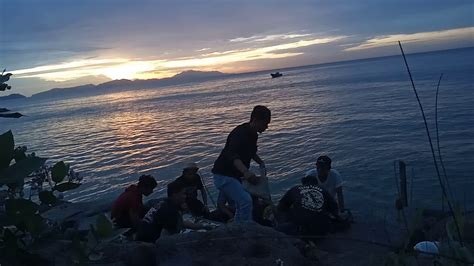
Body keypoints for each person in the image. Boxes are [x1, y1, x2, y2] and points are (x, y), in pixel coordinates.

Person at [212, 105, 271, 223]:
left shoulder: (253, 134)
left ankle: (238, 225)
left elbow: (252, 152)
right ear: (255, 120)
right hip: (223, 175)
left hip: (234, 176)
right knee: (245, 200)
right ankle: (244, 229)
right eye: (265, 123)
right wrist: (246, 172)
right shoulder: (239, 133)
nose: (266, 127)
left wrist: (261, 164)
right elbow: (232, 155)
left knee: (241, 203)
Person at [136, 180, 211, 243]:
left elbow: (181, 222)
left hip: (140, 237)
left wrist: (202, 226)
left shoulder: (163, 202)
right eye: (183, 193)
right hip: (148, 244)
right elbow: (163, 240)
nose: (185, 196)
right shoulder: (171, 212)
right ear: (175, 194)